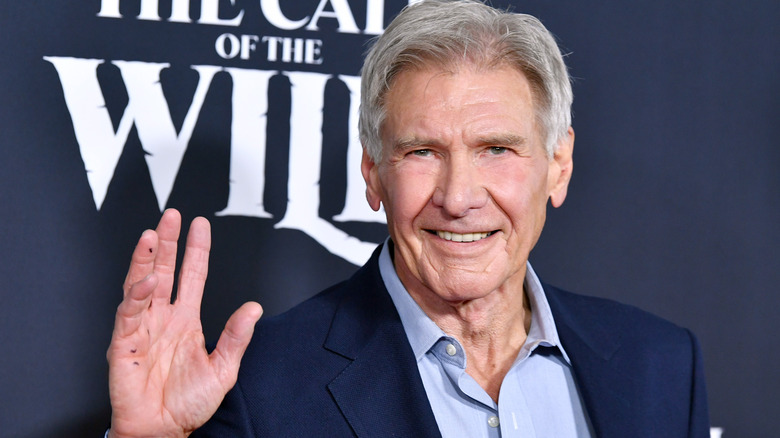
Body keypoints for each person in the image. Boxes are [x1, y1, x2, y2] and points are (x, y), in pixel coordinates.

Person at [106, 1, 709, 437]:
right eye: (423, 152)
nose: (459, 196)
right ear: (372, 172)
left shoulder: (659, 365)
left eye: (496, 148)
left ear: (558, 164)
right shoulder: (262, 384)